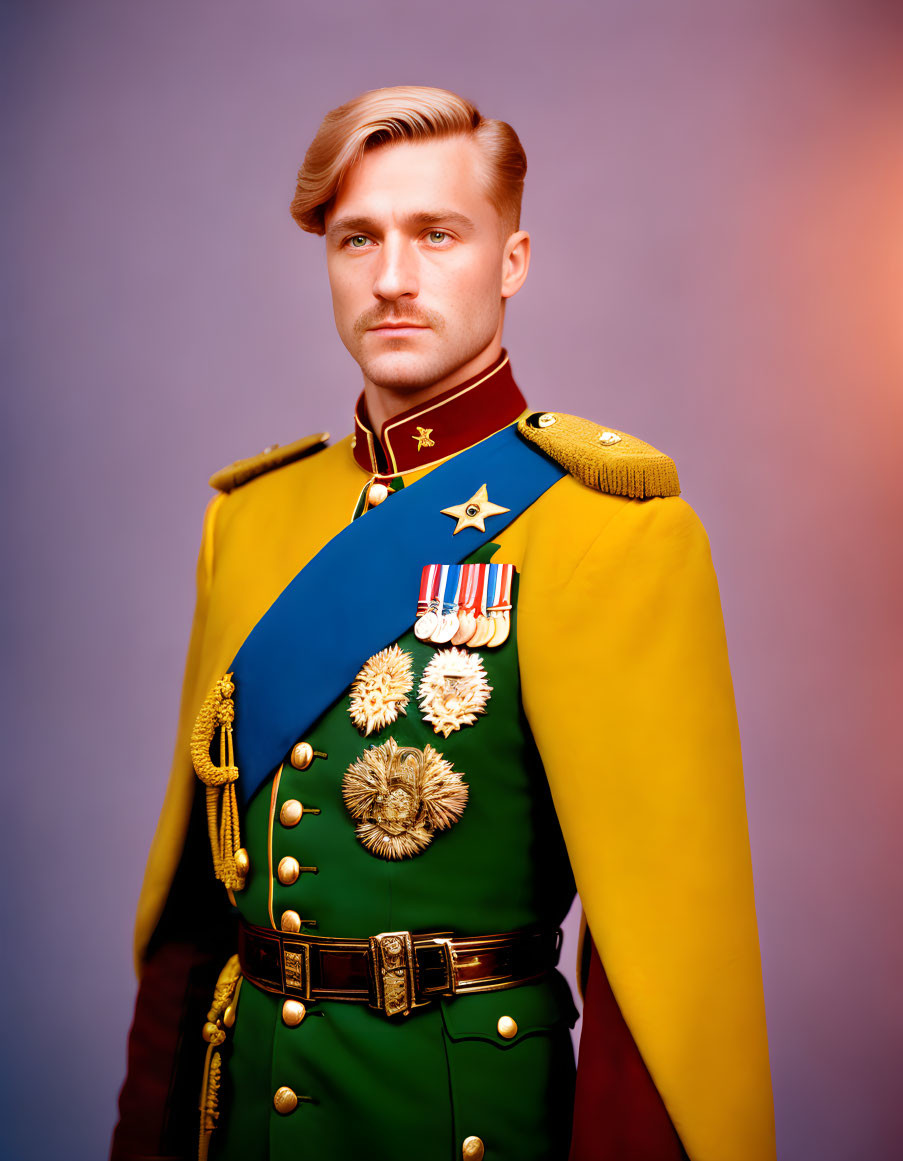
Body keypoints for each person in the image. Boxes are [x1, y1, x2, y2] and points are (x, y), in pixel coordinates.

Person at [111, 86, 775, 1161]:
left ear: (511, 260)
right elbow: (197, 906)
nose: (392, 279)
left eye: (437, 234)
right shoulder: (249, 521)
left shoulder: (613, 534)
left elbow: (663, 972)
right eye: (357, 238)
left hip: (463, 1116)